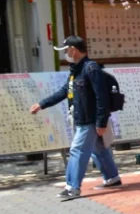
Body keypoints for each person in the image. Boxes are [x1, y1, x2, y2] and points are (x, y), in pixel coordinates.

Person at [29, 36, 120, 200]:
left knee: (77, 151)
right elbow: (64, 91)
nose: (65, 54)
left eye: (66, 50)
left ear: (73, 50)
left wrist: (101, 122)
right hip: (83, 118)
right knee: (99, 149)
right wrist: (42, 104)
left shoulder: (91, 69)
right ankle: (112, 178)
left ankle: (72, 187)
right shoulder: (76, 71)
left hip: (90, 120)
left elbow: (102, 98)